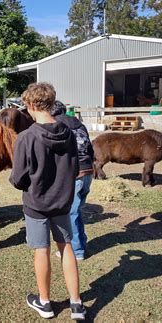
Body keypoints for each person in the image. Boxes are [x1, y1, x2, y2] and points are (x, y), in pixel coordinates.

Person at [9, 83, 86, 320]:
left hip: (36, 205)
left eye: (26, 107)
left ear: (31, 105)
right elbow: (74, 169)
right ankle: (76, 304)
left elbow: (18, 178)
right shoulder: (69, 133)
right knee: (67, 248)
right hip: (63, 202)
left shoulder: (26, 137)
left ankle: (44, 303)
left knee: (41, 251)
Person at [51, 101, 94, 261]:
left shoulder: (58, 125)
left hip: (75, 173)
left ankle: (77, 251)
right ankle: (81, 244)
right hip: (88, 170)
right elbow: (90, 148)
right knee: (77, 212)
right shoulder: (80, 124)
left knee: (71, 213)